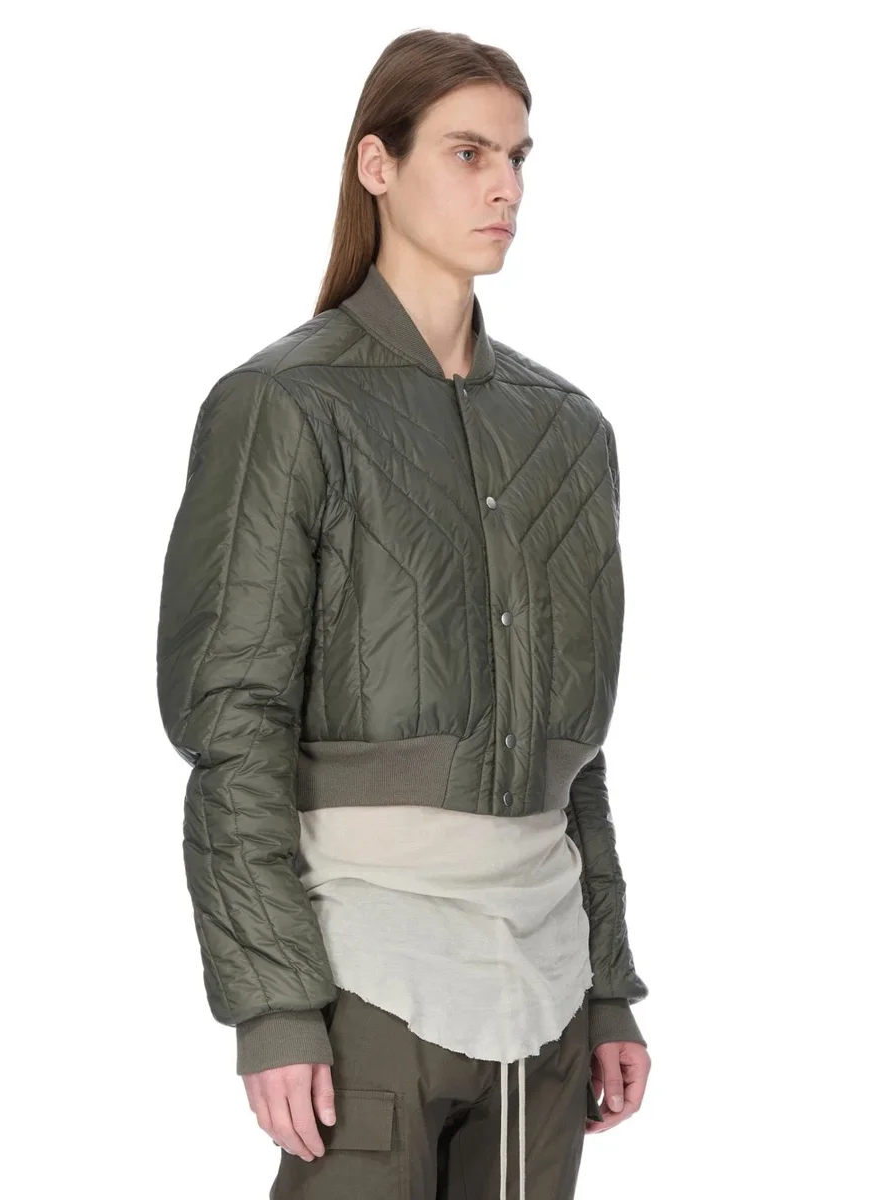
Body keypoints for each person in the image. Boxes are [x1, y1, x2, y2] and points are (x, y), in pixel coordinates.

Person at [156, 27, 651, 1200]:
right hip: (365, 972)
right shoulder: (284, 405)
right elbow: (234, 721)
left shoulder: (568, 431)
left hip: (543, 986)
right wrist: (274, 1003)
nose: (506, 188)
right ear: (376, 165)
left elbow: (574, 753)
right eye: (469, 153)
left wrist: (609, 986)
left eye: (518, 157)